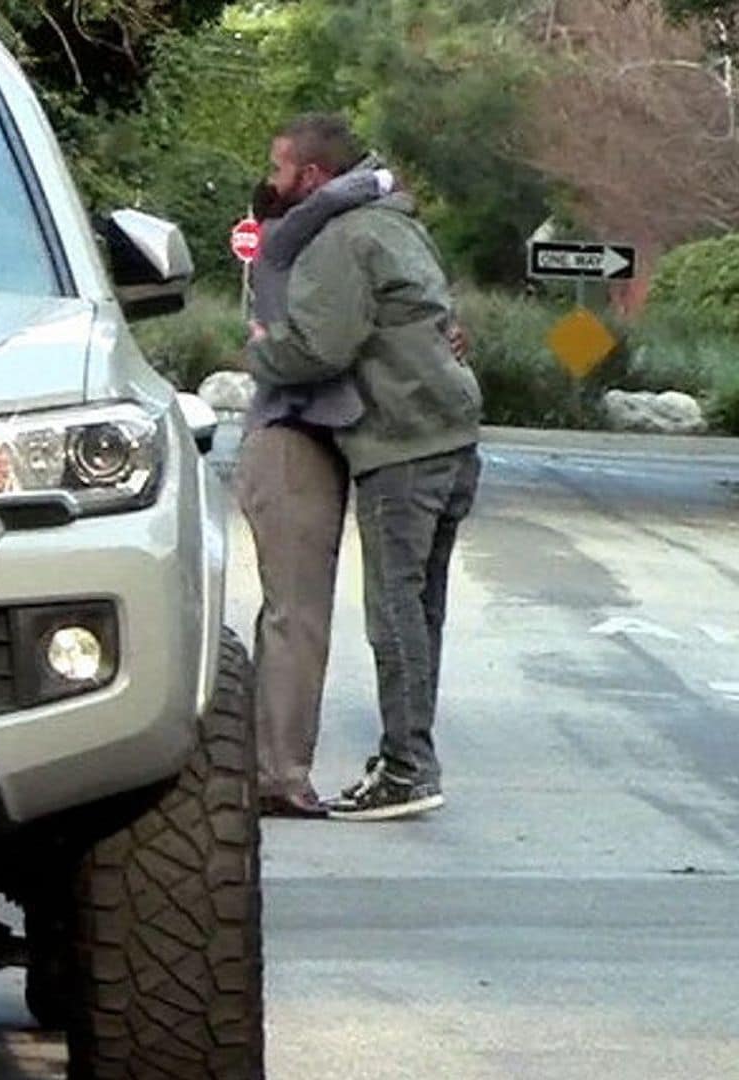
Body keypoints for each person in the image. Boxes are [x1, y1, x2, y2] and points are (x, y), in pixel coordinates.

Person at [248, 113, 483, 822]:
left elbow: (321, 348)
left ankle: (408, 768)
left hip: (398, 445)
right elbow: (432, 318)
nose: (270, 181)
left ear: (312, 177)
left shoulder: (336, 239)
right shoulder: (397, 222)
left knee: (395, 613)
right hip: (451, 437)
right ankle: (406, 755)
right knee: (423, 611)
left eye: (279, 168)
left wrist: (260, 347)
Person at [237, 162, 397, 819]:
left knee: (298, 615)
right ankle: (278, 774)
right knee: (296, 616)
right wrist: (381, 178)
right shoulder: (284, 244)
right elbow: (329, 199)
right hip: (286, 438)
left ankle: (273, 765)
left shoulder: (328, 260)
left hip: (316, 440)